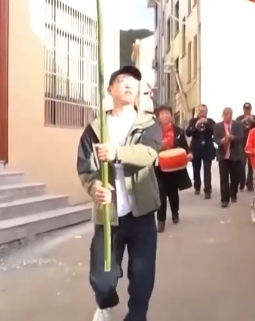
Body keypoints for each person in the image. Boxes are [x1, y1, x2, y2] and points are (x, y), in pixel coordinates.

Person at [76, 65, 162, 321]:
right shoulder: (95, 128)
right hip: (108, 216)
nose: (128, 84)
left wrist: (117, 153)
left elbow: (149, 153)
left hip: (142, 214)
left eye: (134, 81)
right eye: (122, 80)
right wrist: (95, 187)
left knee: (142, 275)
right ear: (110, 89)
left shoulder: (148, 124)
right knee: (102, 277)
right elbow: (85, 167)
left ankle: (137, 315)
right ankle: (105, 305)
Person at [154, 104, 192, 233]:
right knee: (161, 193)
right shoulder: (154, 132)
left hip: (174, 167)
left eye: (167, 113)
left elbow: (185, 147)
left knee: (173, 192)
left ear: (171, 115)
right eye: (162, 113)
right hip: (159, 167)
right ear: (158, 116)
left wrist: (189, 154)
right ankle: (161, 220)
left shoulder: (179, 131)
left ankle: (175, 212)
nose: (165, 116)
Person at [213, 107, 246, 208]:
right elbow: (215, 138)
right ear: (223, 115)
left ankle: (233, 194)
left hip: (235, 155)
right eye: (226, 114)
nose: (228, 116)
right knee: (224, 179)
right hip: (223, 156)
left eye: (230, 114)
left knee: (235, 177)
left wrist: (232, 137)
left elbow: (241, 137)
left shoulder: (238, 125)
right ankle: (224, 199)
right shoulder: (217, 126)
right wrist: (221, 141)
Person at [186, 104, 216, 198]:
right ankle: (197, 186)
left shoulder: (210, 121)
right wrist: (196, 126)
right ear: (197, 112)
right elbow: (188, 133)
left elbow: (215, 131)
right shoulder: (193, 121)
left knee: (207, 170)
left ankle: (207, 190)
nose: (203, 113)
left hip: (207, 148)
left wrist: (207, 124)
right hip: (196, 148)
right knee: (196, 169)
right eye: (201, 111)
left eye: (205, 111)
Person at [237, 102, 255, 192]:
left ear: (250, 109)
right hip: (241, 143)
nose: (247, 111)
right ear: (243, 109)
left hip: (252, 143)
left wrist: (252, 121)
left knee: (251, 164)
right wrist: (242, 122)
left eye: (248, 109)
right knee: (241, 163)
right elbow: (235, 127)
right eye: (246, 109)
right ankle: (241, 182)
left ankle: (250, 183)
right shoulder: (239, 118)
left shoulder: (254, 118)